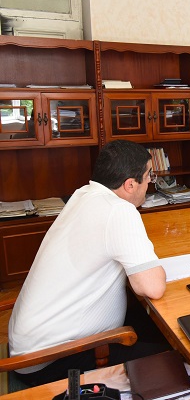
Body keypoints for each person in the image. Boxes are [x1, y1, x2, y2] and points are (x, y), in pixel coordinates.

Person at [9, 140, 168, 386]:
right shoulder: (119, 210)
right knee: (172, 355)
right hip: (49, 360)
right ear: (130, 184)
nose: (150, 183)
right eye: (148, 176)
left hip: (30, 342)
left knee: (149, 323)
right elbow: (153, 287)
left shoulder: (83, 194)